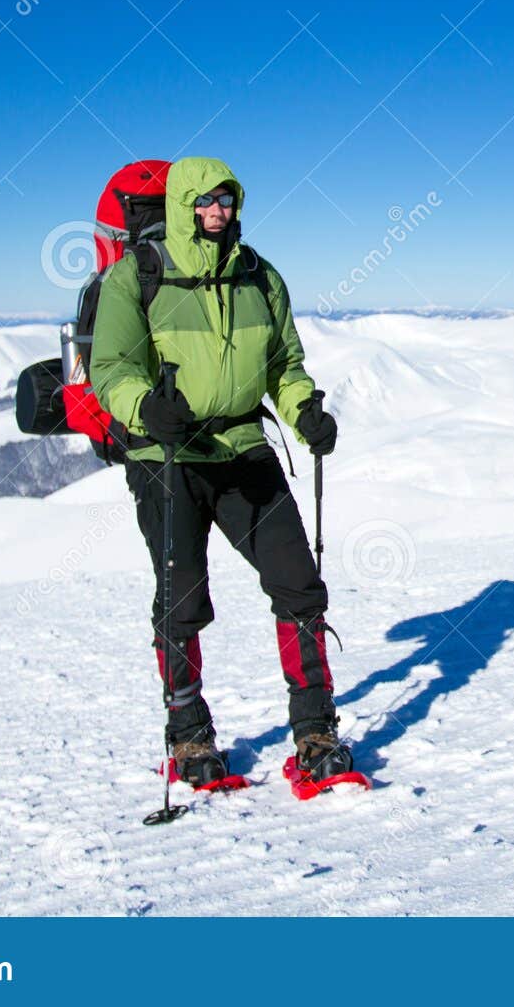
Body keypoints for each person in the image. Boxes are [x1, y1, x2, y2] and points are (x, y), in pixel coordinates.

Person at [89, 155, 347, 787]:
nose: (215, 211)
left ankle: (316, 733)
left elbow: (284, 364)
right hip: (166, 457)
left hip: (243, 446)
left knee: (299, 583)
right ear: (182, 205)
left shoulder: (259, 275)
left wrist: (304, 411)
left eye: (226, 199)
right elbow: (112, 370)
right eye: (203, 200)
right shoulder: (134, 277)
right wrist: (146, 408)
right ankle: (189, 738)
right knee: (182, 599)